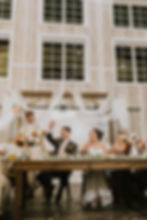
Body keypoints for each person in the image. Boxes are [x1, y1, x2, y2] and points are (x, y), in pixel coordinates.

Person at [38, 121, 78, 204]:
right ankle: (50, 187)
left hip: (66, 168)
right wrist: (50, 128)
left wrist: (66, 154)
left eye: (63, 132)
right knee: (41, 175)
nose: (61, 134)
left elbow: (74, 155)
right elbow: (49, 138)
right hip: (54, 166)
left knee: (64, 177)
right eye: (61, 132)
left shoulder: (74, 144)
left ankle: (58, 195)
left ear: (68, 133)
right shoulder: (58, 141)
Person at [81, 128, 112, 209]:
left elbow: (107, 155)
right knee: (94, 172)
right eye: (90, 134)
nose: (91, 136)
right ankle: (93, 198)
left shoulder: (103, 144)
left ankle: (96, 198)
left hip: (101, 166)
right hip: (89, 167)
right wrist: (86, 147)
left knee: (98, 172)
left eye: (92, 134)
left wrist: (103, 157)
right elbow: (81, 153)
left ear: (97, 135)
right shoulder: (87, 144)